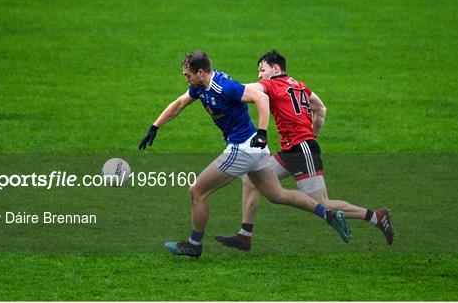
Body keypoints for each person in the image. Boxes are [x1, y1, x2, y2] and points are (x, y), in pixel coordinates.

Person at [138, 50, 351, 258]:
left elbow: (261, 98)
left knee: (197, 192)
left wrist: (262, 131)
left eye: (188, 75)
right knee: (277, 194)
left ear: (201, 72)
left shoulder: (225, 87)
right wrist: (155, 126)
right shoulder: (200, 87)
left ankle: (194, 245)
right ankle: (329, 214)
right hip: (254, 150)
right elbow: (179, 104)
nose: (186, 80)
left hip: (242, 148)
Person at [214, 50, 395, 252]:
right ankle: (244, 236)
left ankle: (376, 216)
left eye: (261, 70)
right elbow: (321, 110)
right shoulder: (301, 86)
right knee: (250, 179)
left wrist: (217, 83)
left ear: (275, 68)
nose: (259, 75)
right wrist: (312, 135)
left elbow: (242, 90)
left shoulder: (271, 84)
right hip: (292, 150)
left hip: (301, 150)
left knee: (322, 204)